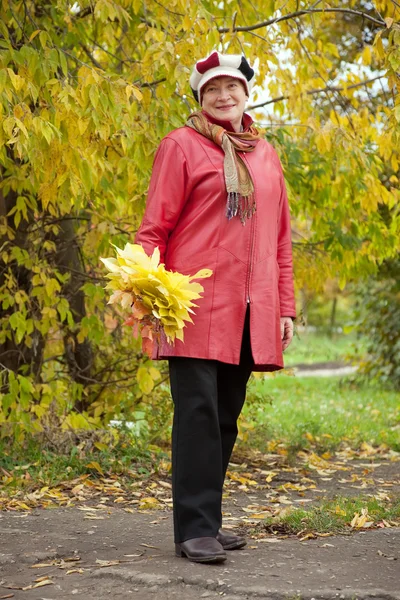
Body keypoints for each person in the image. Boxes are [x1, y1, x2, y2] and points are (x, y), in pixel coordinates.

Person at [135, 50, 296, 564]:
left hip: (249, 309)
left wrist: (285, 307)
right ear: (200, 100)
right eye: (212, 90)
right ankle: (194, 529)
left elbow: (280, 241)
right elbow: (153, 229)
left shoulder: (265, 156)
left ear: (247, 95)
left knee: (225, 417)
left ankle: (208, 519)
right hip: (191, 305)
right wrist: (143, 291)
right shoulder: (180, 147)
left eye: (232, 88)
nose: (224, 96)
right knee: (198, 415)